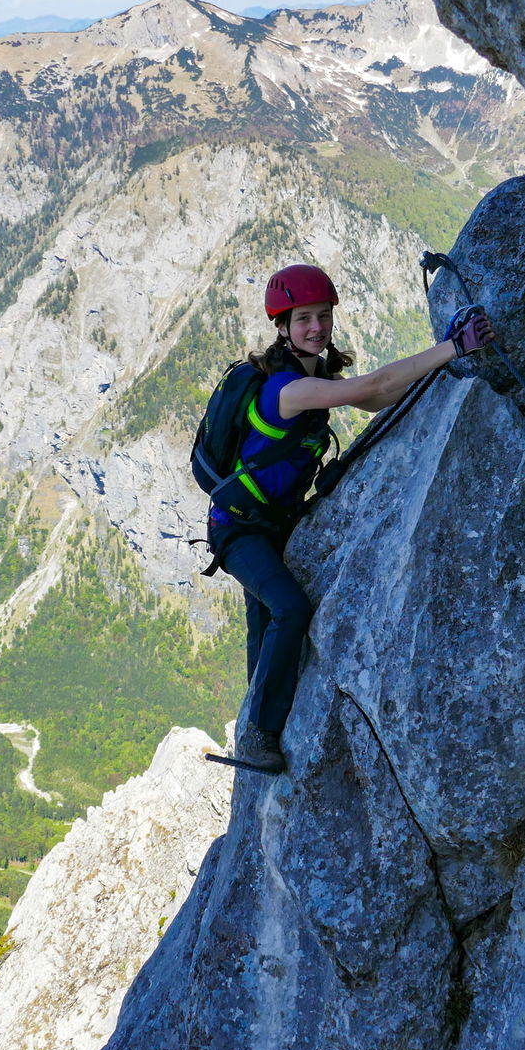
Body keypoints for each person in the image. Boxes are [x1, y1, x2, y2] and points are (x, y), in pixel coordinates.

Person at [210, 263, 495, 772]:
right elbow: (377, 381)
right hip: (239, 529)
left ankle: (256, 723)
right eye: (304, 320)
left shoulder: (314, 374)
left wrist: (440, 365)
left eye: (323, 316)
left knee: (263, 624)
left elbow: (377, 396)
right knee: (289, 610)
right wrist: (453, 347)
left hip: (275, 523)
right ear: (282, 326)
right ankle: (258, 735)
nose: (316, 327)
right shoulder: (287, 390)